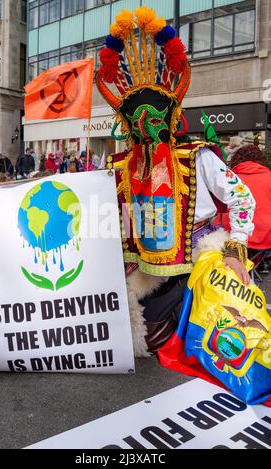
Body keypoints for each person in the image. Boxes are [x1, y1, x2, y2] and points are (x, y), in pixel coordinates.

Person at [97, 6, 256, 356]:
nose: (147, 130)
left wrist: (233, 250)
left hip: (202, 253)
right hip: (149, 263)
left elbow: (242, 198)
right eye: (138, 124)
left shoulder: (197, 156)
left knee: (225, 338)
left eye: (154, 120)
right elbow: (109, 214)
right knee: (150, 340)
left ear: (171, 119)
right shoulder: (122, 165)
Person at [215, 145, 271, 272]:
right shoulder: (269, 176)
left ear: (236, 160)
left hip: (231, 232)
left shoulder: (228, 179)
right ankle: (262, 262)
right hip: (267, 234)